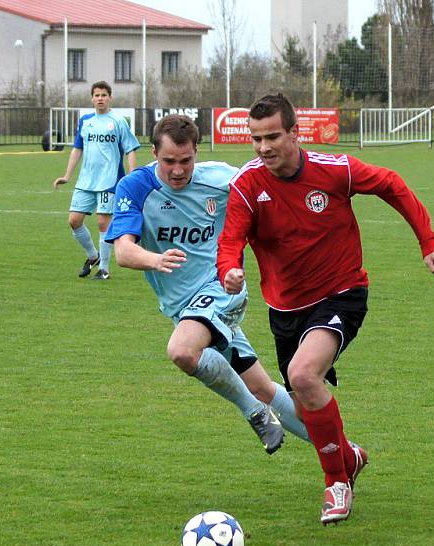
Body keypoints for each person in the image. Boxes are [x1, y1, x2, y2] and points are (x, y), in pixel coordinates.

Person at [216, 93, 434, 525]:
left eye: (272, 137)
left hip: (341, 293)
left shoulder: (333, 170)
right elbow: (230, 240)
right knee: (305, 406)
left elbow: (391, 184)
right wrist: (229, 269)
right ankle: (349, 458)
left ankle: (335, 484)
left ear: (294, 133)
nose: (264, 148)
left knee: (304, 376)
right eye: (256, 139)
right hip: (285, 309)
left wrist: (428, 241)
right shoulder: (247, 185)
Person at [106, 114, 315, 455]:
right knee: (261, 385)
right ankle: (343, 452)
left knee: (182, 351)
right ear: (154, 153)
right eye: (169, 161)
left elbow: (269, 185)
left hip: (223, 287)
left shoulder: (220, 178)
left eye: (186, 160)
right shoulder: (137, 187)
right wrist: (155, 260)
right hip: (182, 306)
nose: (178, 170)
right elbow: (124, 252)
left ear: (196, 152)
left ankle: (254, 413)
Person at [54, 81, 139, 280]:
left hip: (110, 180)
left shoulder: (118, 121)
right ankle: (93, 256)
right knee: (74, 221)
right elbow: (77, 149)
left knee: (103, 223)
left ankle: (104, 269)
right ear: (92, 98)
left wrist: (133, 175)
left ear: (110, 97)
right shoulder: (85, 121)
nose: (100, 98)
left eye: (104, 95)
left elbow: (130, 149)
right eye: (97, 95)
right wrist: (67, 175)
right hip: (86, 181)